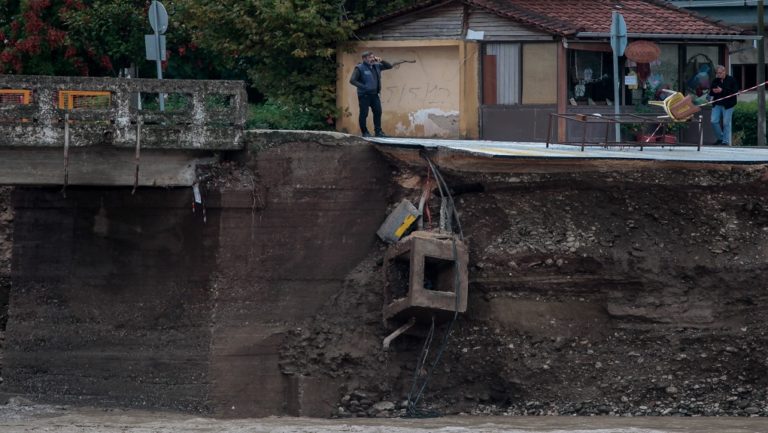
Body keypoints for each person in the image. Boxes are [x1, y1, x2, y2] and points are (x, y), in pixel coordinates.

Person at [349, 51, 392, 137]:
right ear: (364, 59)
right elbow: (352, 80)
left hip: (375, 95)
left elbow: (389, 66)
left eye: (373, 57)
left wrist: (381, 60)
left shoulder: (377, 66)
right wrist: (364, 87)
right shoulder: (359, 68)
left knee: (378, 112)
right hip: (364, 95)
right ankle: (365, 132)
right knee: (364, 114)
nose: (372, 59)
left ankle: (378, 132)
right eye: (369, 57)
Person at [708, 65, 739, 145]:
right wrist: (713, 91)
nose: (719, 75)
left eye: (720, 73)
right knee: (713, 121)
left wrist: (722, 90)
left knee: (726, 123)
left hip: (728, 104)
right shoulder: (715, 80)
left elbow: (735, 91)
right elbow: (711, 91)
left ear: (724, 72)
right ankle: (720, 138)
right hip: (717, 103)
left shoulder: (731, 80)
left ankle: (725, 141)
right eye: (717, 73)